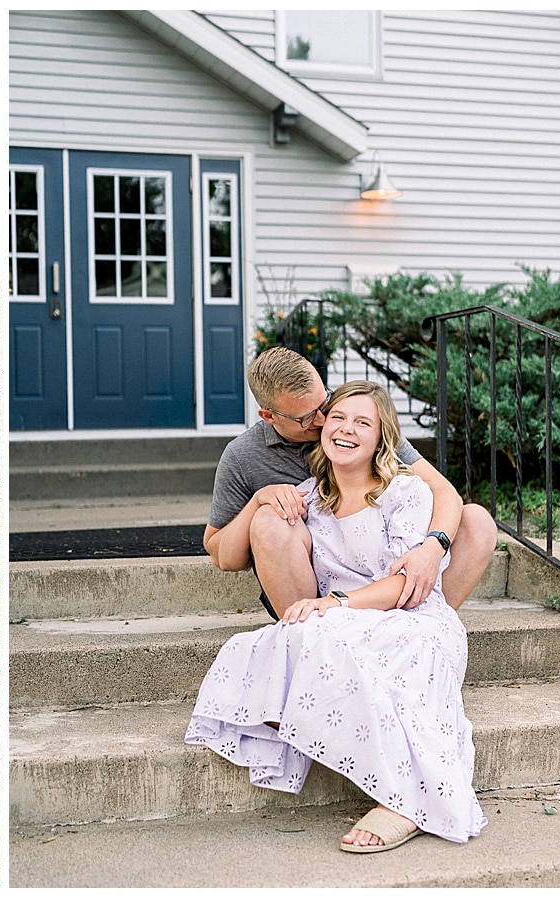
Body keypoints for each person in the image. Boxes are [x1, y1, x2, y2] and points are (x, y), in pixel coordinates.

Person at [185, 380, 487, 851]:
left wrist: (338, 604)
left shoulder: (403, 492)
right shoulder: (308, 496)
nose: (342, 428)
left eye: (361, 422)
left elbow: (406, 585)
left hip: (409, 617)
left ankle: (403, 803)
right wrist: (261, 499)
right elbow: (221, 551)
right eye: (337, 418)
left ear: (382, 436)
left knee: (353, 639)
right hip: (343, 616)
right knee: (265, 642)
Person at [204, 346, 496, 620]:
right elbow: (222, 555)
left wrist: (433, 549)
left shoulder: (353, 417)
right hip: (310, 586)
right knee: (270, 520)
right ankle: (309, 638)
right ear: (269, 416)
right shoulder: (243, 456)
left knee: (476, 523)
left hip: (383, 569)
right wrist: (259, 500)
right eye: (307, 417)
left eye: (325, 403)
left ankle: (423, 626)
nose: (323, 420)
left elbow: (443, 491)